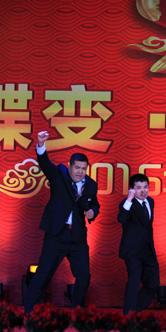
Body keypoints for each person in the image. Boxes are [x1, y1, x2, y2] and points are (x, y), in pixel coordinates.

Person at [24, 130, 100, 313]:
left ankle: (77, 311)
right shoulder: (59, 174)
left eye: (83, 168)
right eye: (77, 168)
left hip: (77, 237)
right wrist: (41, 145)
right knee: (43, 273)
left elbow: (95, 204)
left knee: (84, 276)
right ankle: (30, 309)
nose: (80, 172)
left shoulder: (91, 184)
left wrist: (93, 212)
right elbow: (45, 163)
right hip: (56, 234)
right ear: (69, 166)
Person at [117, 174, 159, 314]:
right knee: (134, 280)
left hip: (147, 249)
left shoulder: (150, 201)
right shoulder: (127, 204)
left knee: (153, 282)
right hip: (132, 249)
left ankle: (136, 308)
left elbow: (147, 226)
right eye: (139, 188)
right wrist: (129, 199)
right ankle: (128, 312)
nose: (143, 191)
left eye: (145, 187)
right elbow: (122, 219)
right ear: (132, 189)